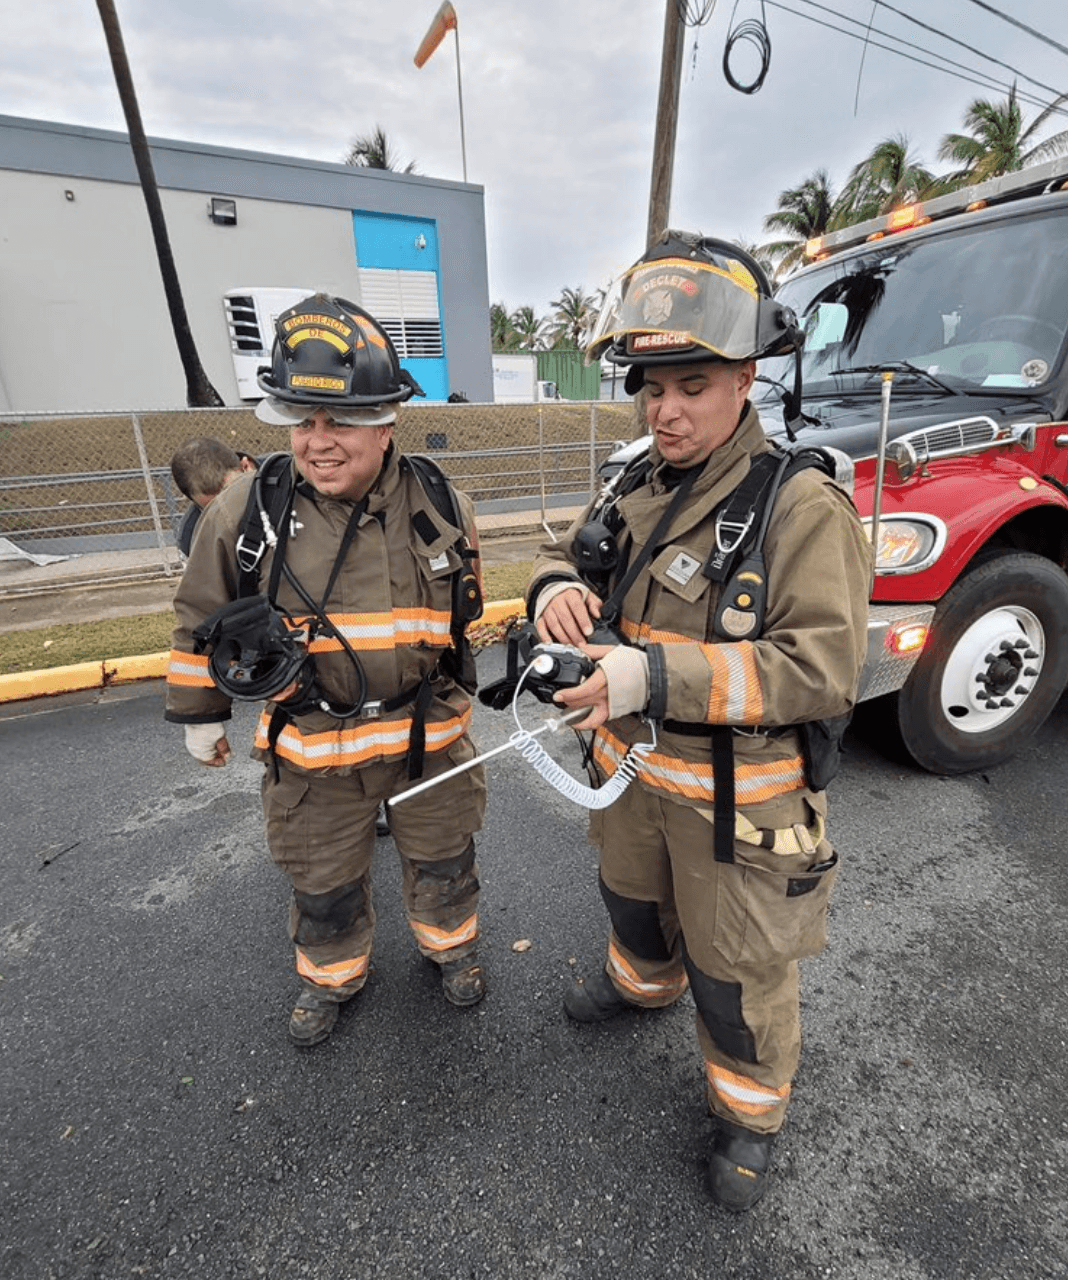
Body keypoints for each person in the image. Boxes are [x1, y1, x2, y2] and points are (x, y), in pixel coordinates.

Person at [526, 233, 872, 1211]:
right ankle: (639, 985)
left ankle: (750, 1113)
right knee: (631, 907)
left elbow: (821, 667)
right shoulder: (637, 482)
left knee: (736, 974)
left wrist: (652, 675)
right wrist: (555, 584)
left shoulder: (801, 507)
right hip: (630, 782)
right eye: (651, 386)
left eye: (691, 384)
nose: (666, 409)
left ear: (745, 378)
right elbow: (569, 551)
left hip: (737, 807)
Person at [164, 293, 487, 1046]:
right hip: (312, 761)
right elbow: (198, 617)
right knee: (324, 886)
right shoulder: (248, 509)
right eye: (303, 422)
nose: (319, 442)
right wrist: (203, 713)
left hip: (428, 745)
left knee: (446, 865)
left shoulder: (444, 504)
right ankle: (331, 977)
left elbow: (460, 620)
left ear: (386, 421)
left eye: (340, 421)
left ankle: (453, 948)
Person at [169, 437, 256, 558]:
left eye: (235, 496)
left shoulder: (286, 473)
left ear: (246, 466)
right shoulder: (192, 540)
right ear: (193, 501)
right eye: (214, 508)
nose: (228, 512)